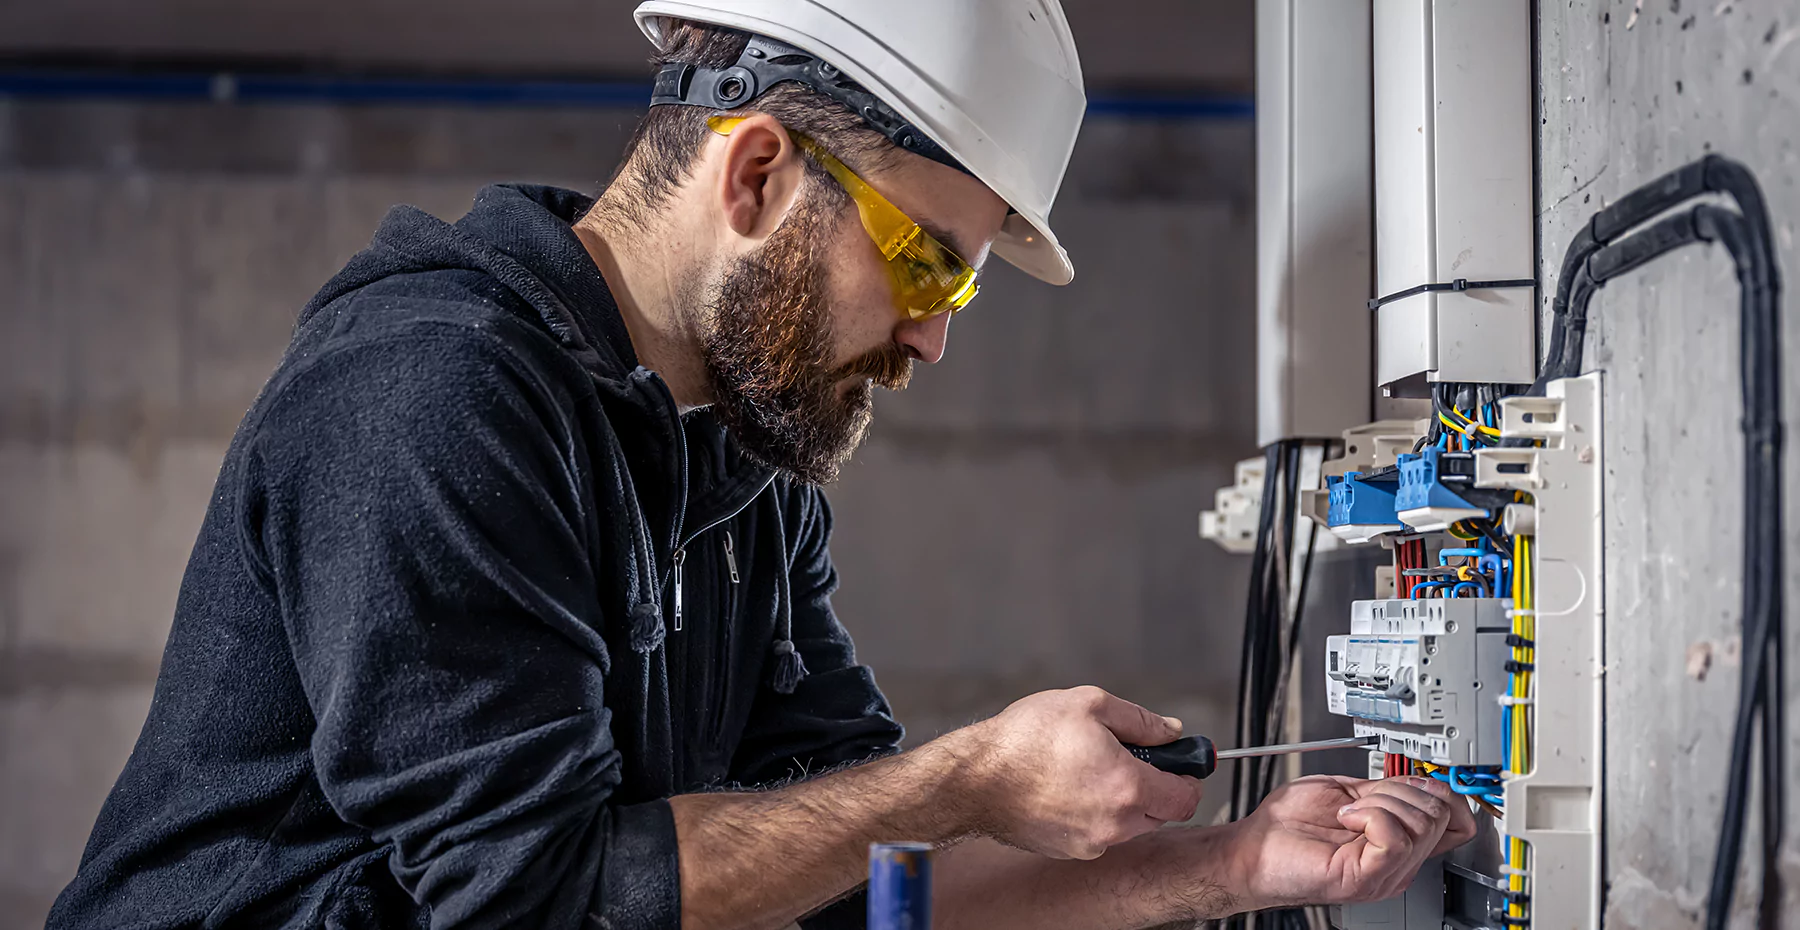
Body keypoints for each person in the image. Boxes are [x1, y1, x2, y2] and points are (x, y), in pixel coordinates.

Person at [49, 3, 1475, 929]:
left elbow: (864, 868)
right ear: (754, 175)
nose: (931, 337)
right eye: (926, 259)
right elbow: (530, 902)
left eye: (961, 291)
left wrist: (1234, 863)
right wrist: (967, 773)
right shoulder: (434, 393)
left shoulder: (743, 458)